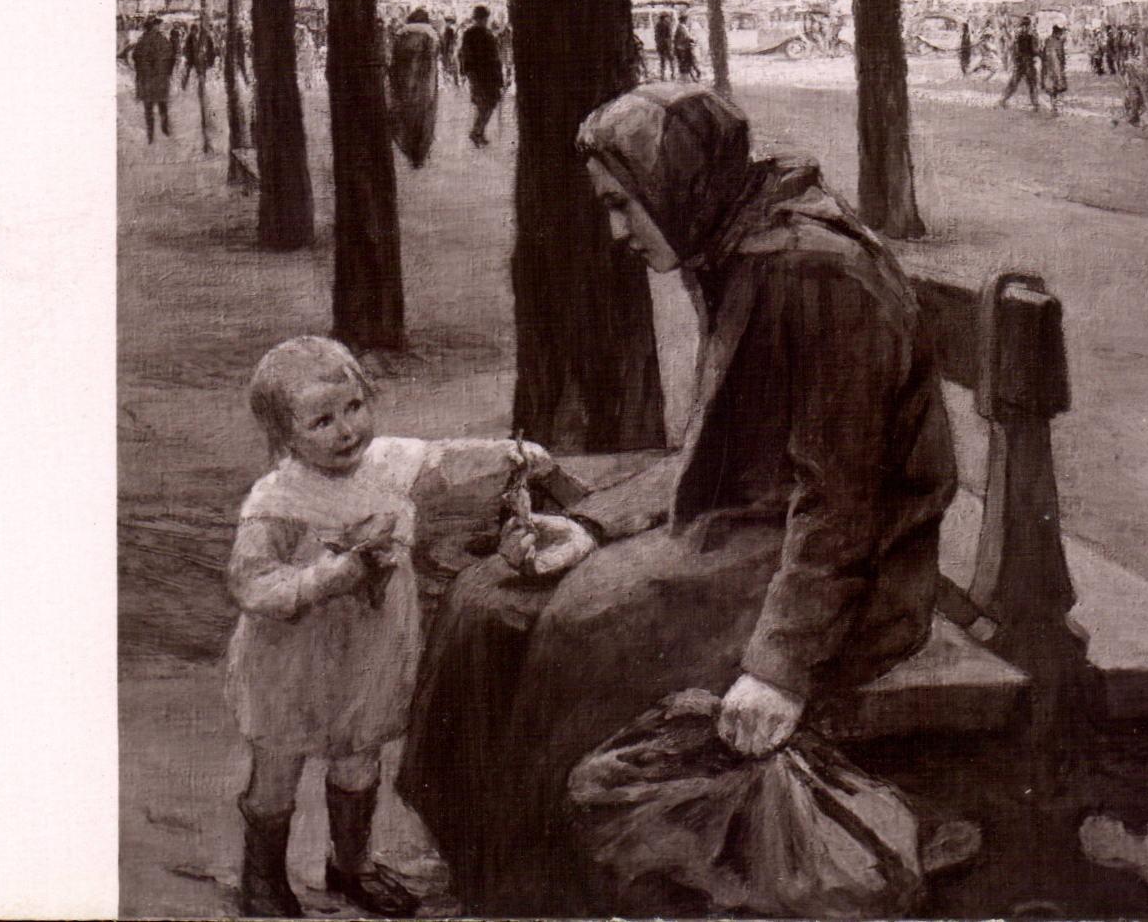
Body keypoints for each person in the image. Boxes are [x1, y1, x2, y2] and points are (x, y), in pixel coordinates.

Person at [398, 84, 957, 916]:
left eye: (625, 206)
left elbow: (841, 502)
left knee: (590, 625)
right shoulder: (733, 247)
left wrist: (778, 668)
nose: (618, 232)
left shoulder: (811, 270)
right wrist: (589, 525)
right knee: (488, 598)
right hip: (759, 528)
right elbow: (715, 443)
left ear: (677, 182)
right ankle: (479, 863)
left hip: (851, 572)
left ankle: (539, 893)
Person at [228, 336, 590, 918]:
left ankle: (350, 866)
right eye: (322, 421)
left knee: (358, 759)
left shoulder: (388, 462)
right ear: (285, 436)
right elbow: (251, 584)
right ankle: (264, 881)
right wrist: (330, 576)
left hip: (369, 654)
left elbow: (446, 461)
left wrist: (514, 456)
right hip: (291, 662)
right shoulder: (278, 499)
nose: (346, 430)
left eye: (353, 408)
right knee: (278, 769)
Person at [389, 8, 442, 167]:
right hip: (424, 85)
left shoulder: (400, 35)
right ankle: (419, 155)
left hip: (403, 83)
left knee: (405, 117)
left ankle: (409, 149)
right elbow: (433, 59)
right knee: (424, 118)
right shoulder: (431, 35)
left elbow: (393, 61)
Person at [460, 4, 505, 146]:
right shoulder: (483, 34)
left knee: (487, 104)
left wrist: (466, 71)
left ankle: (478, 132)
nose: (483, 21)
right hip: (483, 74)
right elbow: (466, 54)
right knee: (485, 104)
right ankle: (477, 132)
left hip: (483, 74)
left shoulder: (478, 33)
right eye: (483, 18)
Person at [131, 15, 176, 143]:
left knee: (148, 108)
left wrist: (141, 72)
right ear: (154, 27)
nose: (160, 27)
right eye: (158, 25)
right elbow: (171, 57)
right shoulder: (162, 40)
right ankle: (165, 129)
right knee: (162, 105)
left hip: (146, 80)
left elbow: (135, 58)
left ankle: (150, 135)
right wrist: (167, 72)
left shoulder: (141, 41)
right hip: (160, 79)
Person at [998, 15, 1040, 110]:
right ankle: (1035, 104)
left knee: (1014, 83)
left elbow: (1011, 47)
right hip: (1028, 62)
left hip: (1019, 62)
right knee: (1032, 83)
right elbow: (1035, 49)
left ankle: (1003, 100)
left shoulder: (1017, 35)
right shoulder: (1032, 35)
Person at [1041, 24, 1069, 114]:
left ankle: (1053, 104)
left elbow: (1043, 54)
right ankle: (1057, 105)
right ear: (1057, 33)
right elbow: (1061, 56)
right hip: (1056, 67)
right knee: (1058, 85)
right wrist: (1063, 65)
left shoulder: (1047, 41)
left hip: (1048, 68)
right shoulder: (1058, 42)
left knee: (1051, 87)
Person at [673, 11, 699, 81]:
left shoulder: (680, 27)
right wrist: (693, 39)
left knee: (686, 62)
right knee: (688, 62)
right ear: (684, 20)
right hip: (683, 48)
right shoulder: (682, 27)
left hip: (682, 47)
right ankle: (693, 76)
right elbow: (686, 37)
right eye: (686, 19)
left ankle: (692, 75)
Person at [652, 8, 675, 81]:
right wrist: (670, 44)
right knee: (670, 59)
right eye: (666, 17)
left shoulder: (657, 25)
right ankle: (672, 74)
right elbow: (669, 35)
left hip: (661, 44)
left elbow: (656, 36)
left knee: (662, 60)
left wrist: (658, 43)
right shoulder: (667, 24)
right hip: (666, 44)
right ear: (664, 17)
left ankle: (662, 75)